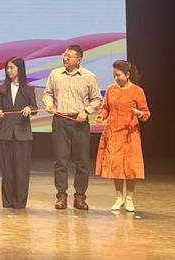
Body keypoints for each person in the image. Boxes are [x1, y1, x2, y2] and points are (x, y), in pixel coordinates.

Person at [42, 44, 102, 210]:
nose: (65, 58)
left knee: (82, 161)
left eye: (69, 56)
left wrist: (86, 111)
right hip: (60, 120)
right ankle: (61, 196)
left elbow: (97, 99)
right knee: (60, 161)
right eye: (65, 55)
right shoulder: (55, 74)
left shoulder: (89, 76)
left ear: (79, 59)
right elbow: (47, 93)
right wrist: (49, 103)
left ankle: (80, 197)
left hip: (79, 121)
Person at [95, 60, 151, 212]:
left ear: (127, 75)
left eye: (118, 75)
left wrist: (139, 113)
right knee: (116, 166)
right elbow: (105, 108)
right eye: (114, 75)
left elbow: (146, 113)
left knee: (130, 166)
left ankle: (129, 198)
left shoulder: (137, 91)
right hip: (113, 133)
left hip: (129, 134)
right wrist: (101, 115)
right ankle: (119, 197)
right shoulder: (111, 90)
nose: (116, 78)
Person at [0, 56, 38, 209]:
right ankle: (7, 201)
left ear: (20, 69)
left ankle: (19, 202)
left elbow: (34, 108)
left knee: (21, 170)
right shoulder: (2, 88)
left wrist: (29, 108)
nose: (9, 70)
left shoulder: (28, 88)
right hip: (5, 133)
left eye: (11, 67)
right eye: (7, 68)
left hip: (22, 133)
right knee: (7, 171)